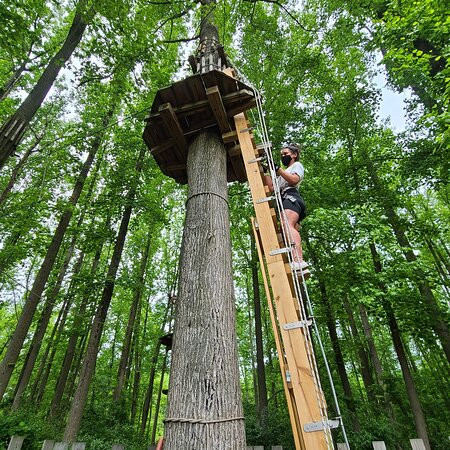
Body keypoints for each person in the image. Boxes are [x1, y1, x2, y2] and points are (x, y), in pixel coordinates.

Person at [264, 143, 310, 279]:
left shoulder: (297, 166)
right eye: (282, 155)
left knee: (286, 224)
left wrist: (278, 169)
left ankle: (298, 261)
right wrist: (266, 170)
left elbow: (294, 180)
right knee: (288, 230)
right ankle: (299, 267)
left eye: (286, 154)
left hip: (292, 197)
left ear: (294, 155)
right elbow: (272, 188)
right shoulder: (282, 175)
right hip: (287, 200)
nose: (283, 156)